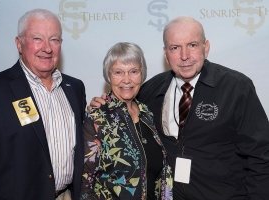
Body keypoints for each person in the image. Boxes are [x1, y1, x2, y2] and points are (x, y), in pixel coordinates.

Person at [88, 16, 269, 199]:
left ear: (206, 47)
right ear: (166, 54)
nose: (184, 56)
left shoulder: (237, 88)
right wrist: (105, 103)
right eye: (175, 48)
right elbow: (125, 104)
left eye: (192, 45)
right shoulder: (150, 90)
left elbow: (261, 156)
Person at [0, 9, 86, 200]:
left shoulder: (75, 88)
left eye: (54, 39)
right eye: (37, 39)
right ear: (19, 44)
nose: (47, 48)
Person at [79, 42, 173, 200]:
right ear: (109, 76)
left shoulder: (148, 114)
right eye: (118, 72)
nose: (127, 80)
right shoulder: (97, 117)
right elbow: (85, 184)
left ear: (142, 74)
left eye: (134, 71)